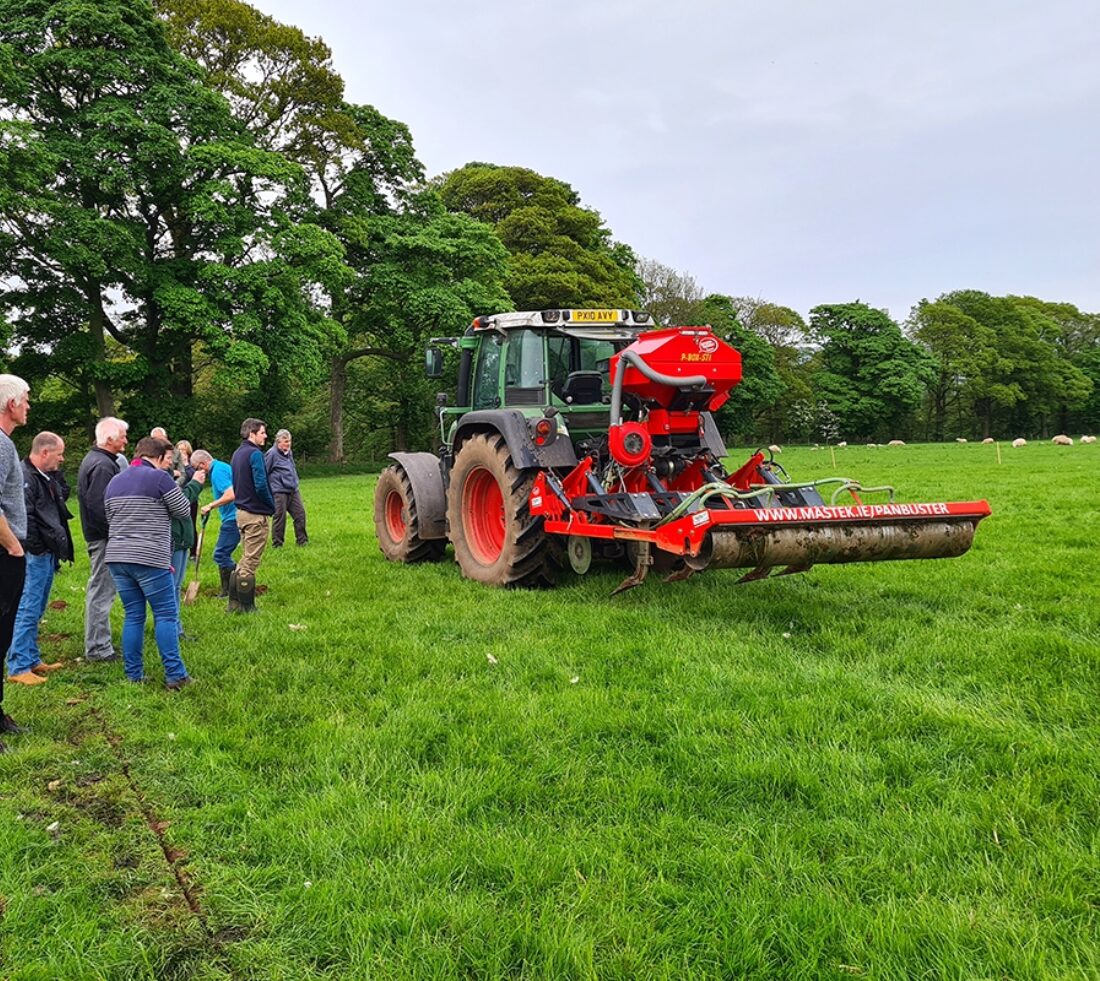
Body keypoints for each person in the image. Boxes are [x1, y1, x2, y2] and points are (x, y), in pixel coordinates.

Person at [104, 436, 192, 689]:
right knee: (165, 614)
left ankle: (133, 675)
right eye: (166, 458)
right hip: (149, 556)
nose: (167, 463)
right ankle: (175, 675)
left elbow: (109, 516)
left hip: (118, 557)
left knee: (133, 615)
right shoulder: (160, 479)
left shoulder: (115, 481)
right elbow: (183, 510)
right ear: (157, 456)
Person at [7, 433, 74, 685]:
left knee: (38, 606)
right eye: (59, 454)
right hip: (34, 553)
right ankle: (18, 665)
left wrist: (56, 475)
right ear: (44, 452)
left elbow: (61, 501)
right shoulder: (26, 477)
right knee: (27, 607)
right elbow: (26, 517)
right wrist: (35, 547)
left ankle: (32, 658)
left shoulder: (44, 475)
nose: (62, 458)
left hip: (46, 552)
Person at [77, 416, 128, 662]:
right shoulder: (102, 466)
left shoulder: (101, 460)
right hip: (104, 538)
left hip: (103, 536)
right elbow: (99, 507)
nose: (126, 441)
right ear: (109, 439)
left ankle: (99, 643)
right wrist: (116, 533)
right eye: (122, 436)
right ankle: (97, 648)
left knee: (102, 589)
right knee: (102, 590)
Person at [0, 375, 31, 751]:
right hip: (6, 552)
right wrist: (13, 547)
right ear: (10, 405)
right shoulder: (2, 445)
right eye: (25, 399)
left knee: (4, 633)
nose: (28, 406)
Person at [229, 418, 274, 613]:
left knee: (244, 558)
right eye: (262, 432)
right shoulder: (255, 454)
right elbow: (261, 484)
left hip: (241, 512)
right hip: (255, 514)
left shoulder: (237, 454)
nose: (265, 436)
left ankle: (234, 603)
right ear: (252, 433)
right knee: (251, 561)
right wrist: (271, 505)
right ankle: (247, 606)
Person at [192, 450, 238, 598]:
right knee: (222, 553)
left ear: (202, 465)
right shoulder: (222, 467)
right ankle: (229, 590)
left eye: (196, 468)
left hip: (234, 517)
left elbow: (231, 494)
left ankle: (236, 586)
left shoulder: (218, 471)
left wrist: (210, 505)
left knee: (221, 554)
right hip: (233, 515)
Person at [170, 462, 206, 641]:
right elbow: (180, 504)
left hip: (182, 540)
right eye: (168, 457)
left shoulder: (170, 475)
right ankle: (173, 631)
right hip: (173, 541)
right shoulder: (159, 479)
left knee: (175, 586)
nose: (171, 462)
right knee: (172, 588)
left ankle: (176, 629)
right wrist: (195, 484)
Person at [265, 429, 308, 547]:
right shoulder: (271, 454)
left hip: (293, 489)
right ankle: (277, 544)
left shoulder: (289, 452)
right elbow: (265, 472)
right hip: (279, 491)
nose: (288, 444)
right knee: (280, 517)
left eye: (289, 441)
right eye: (285, 441)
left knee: (300, 514)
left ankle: (302, 541)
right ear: (278, 442)